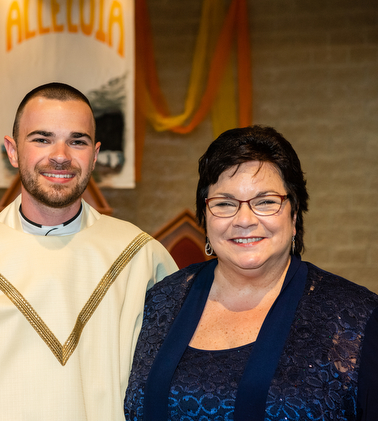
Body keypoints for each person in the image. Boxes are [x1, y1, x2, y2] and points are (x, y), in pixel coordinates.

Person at [0, 82, 178, 421]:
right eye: (42, 139)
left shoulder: (142, 259)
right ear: (12, 151)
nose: (61, 155)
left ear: (96, 154)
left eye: (77, 141)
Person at [124, 125, 378, 421]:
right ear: (205, 218)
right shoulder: (159, 303)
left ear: (294, 215)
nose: (244, 219)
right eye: (225, 204)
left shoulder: (356, 319)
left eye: (266, 202)